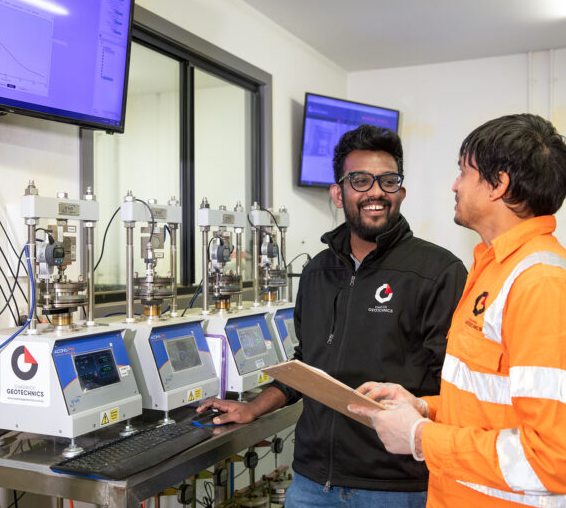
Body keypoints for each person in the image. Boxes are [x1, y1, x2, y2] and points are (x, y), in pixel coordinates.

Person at [349, 114, 566, 507]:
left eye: (463, 172)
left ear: (499, 184)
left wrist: (419, 436)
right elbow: (494, 405)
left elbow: (558, 461)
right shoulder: (494, 270)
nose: (454, 184)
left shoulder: (543, 287)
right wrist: (424, 407)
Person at [198, 124, 467, 507]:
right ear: (338, 194)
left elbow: (457, 387)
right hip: (311, 483)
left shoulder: (438, 271)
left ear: (401, 193)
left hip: (395, 487)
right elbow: (307, 367)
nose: (376, 191)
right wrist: (253, 408)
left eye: (388, 181)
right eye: (360, 180)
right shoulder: (317, 272)